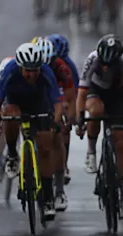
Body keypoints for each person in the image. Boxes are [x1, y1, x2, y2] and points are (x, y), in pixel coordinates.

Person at [75, 34, 123, 219]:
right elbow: (81, 94)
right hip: (95, 92)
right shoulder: (92, 59)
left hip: (117, 96)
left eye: (110, 64)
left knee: (121, 142)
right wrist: (80, 118)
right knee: (96, 111)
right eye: (103, 64)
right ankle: (91, 152)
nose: (106, 67)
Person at [0, 42, 64, 218]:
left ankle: (47, 197)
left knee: (45, 147)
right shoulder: (10, 70)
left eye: (35, 71)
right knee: (10, 115)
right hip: (15, 103)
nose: (31, 75)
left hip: (40, 104)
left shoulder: (46, 72)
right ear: (20, 67)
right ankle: (12, 154)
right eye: (27, 71)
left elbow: (57, 103)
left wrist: (55, 122)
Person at [36, 37, 76, 212]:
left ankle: (59, 191)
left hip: (56, 97)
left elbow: (70, 97)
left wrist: (70, 119)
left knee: (57, 137)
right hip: (36, 96)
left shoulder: (62, 67)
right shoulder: (29, 68)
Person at [47, 33, 79, 184]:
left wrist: (74, 117)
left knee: (64, 126)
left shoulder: (66, 66)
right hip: (46, 94)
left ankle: (63, 164)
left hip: (62, 93)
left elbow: (76, 93)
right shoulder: (39, 66)